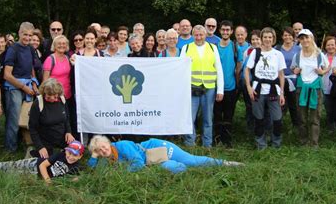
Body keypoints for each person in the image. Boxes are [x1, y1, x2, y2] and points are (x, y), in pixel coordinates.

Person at [88, 135, 244, 174]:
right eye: (99, 151)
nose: (103, 151)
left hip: (160, 148)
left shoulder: (121, 146)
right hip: (154, 161)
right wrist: (93, 157)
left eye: (103, 147)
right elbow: (96, 171)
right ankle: (183, 168)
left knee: (193, 161)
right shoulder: (107, 158)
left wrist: (123, 171)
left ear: (107, 143)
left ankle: (225, 163)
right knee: (169, 168)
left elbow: (138, 164)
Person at [180, 25, 224, 148]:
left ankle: (207, 144)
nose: (199, 37)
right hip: (192, 88)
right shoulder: (186, 47)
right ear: (193, 35)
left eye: (201, 35)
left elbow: (218, 69)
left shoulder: (213, 48)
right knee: (190, 117)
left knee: (208, 118)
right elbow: (181, 70)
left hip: (209, 88)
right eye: (196, 35)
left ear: (205, 35)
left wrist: (220, 89)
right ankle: (190, 142)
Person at [245, 27, 286, 150]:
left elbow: (281, 75)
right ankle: (260, 144)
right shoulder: (255, 52)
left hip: (273, 89)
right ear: (261, 38)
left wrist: (282, 93)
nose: (267, 39)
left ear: (273, 39)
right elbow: (247, 70)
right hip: (258, 90)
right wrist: (249, 87)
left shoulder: (278, 54)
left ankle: (276, 144)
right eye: (265, 37)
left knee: (277, 119)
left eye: (270, 37)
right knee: (259, 118)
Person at [0, 140, 85, 184]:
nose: (70, 157)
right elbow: (43, 165)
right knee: (11, 165)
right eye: (69, 153)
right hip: (35, 164)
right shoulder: (61, 154)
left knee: (10, 174)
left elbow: (81, 174)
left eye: (74, 155)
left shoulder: (76, 167)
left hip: (35, 176)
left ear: (80, 156)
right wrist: (47, 181)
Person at [3, 22, 39, 152]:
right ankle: (10, 149)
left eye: (30, 35)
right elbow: (7, 75)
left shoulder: (30, 48)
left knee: (26, 117)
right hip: (14, 87)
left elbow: (31, 68)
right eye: (25, 35)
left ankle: (26, 143)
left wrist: (34, 83)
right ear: (19, 33)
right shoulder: (13, 49)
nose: (27, 38)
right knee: (14, 119)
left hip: (28, 85)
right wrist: (24, 87)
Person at [290, 29, 329, 148]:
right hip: (301, 88)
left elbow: (327, 67)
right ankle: (303, 141)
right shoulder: (297, 55)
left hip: (315, 89)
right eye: (302, 38)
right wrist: (295, 71)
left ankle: (314, 143)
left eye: (307, 37)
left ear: (311, 38)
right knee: (301, 117)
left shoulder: (319, 55)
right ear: (299, 41)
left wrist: (322, 71)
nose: (305, 40)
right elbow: (293, 68)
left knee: (315, 117)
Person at [29, 78, 75, 158]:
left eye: (55, 97)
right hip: (45, 141)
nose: (52, 99)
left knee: (76, 153)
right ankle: (34, 151)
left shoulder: (62, 99)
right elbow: (32, 128)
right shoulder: (38, 103)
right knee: (49, 162)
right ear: (44, 93)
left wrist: (69, 132)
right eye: (48, 97)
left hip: (62, 138)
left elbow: (66, 118)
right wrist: (40, 147)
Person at [213, 20, 239, 147]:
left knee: (229, 115)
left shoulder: (235, 47)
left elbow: (239, 66)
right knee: (217, 115)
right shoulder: (214, 48)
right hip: (217, 88)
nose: (225, 32)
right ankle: (217, 140)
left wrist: (238, 84)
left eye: (227, 30)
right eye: (223, 30)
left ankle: (227, 141)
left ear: (231, 31)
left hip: (231, 87)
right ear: (220, 31)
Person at [276, 27, 301, 128]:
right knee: (279, 103)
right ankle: (278, 125)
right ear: (282, 37)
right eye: (285, 35)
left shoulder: (299, 49)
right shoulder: (277, 49)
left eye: (289, 35)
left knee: (293, 104)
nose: (287, 37)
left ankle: (296, 125)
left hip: (294, 80)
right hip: (280, 79)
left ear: (293, 37)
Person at [321, 36, 336, 132]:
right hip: (324, 87)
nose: (330, 47)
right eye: (328, 45)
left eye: (332, 44)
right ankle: (330, 125)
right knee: (328, 107)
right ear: (325, 46)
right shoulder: (321, 57)